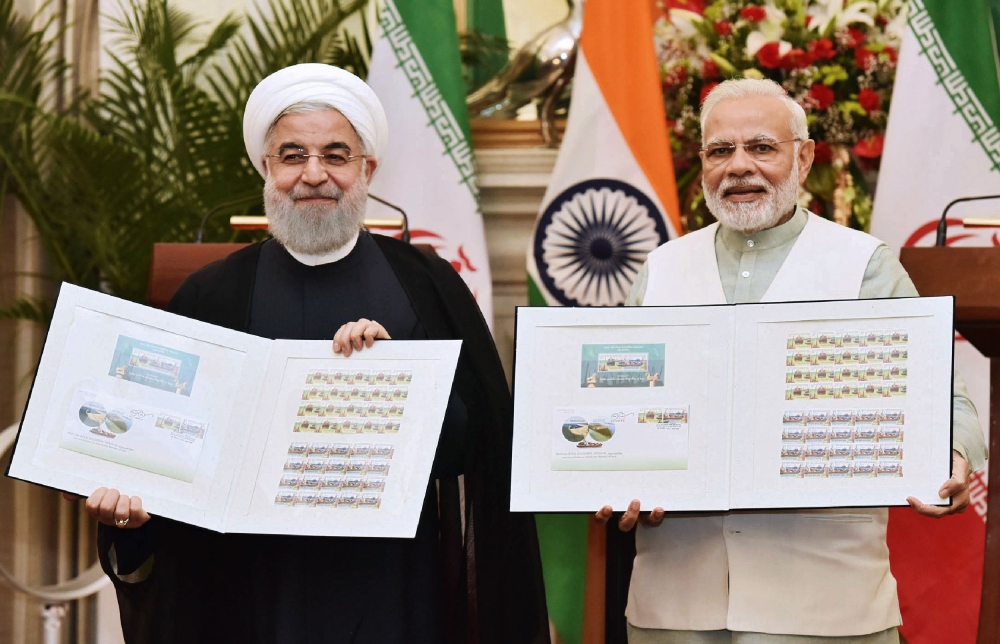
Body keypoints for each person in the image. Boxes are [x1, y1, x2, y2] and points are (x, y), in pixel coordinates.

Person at [81, 63, 549, 644]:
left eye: (335, 154)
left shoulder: (425, 284)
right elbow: (170, 455)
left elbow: (475, 450)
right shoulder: (212, 294)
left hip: (393, 586)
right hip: (252, 588)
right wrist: (129, 514)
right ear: (266, 167)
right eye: (293, 155)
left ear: (366, 169)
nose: (314, 175)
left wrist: (397, 377)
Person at [596, 79, 988, 644]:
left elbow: (941, 396)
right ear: (702, 164)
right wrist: (607, 472)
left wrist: (950, 454)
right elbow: (617, 407)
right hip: (674, 603)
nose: (739, 167)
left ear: (803, 158)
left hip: (826, 605)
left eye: (761, 147)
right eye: (720, 151)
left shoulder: (864, 266)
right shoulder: (660, 269)